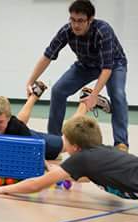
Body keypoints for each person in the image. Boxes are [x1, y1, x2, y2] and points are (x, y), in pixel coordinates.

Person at [0, 115, 138, 209]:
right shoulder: (100, 152)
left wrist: (0, 191)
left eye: (65, 141)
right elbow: (79, 175)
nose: (63, 144)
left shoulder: (82, 159)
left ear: (75, 147)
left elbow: (36, 185)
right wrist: (54, 167)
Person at [26, 0, 129, 152]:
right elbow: (48, 55)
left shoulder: (103, 30)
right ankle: (54, 141)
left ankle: (121, 143)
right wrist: (30, 80)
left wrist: (94, 95)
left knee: (118, 96)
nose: (76, 25)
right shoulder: (66, 31)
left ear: (90, 20)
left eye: (80, 21)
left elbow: (106, 68)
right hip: (85, 64)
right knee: (58, 90)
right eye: (73, 20)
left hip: (114, 64)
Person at [0, 81, 108, 161]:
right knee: (16, 126)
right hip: (16, 134)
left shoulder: (17, 128)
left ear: (8, 117)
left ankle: (85, 102)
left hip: (34, 141)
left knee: (68, 139)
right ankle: (35, 94)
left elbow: (32, 156)